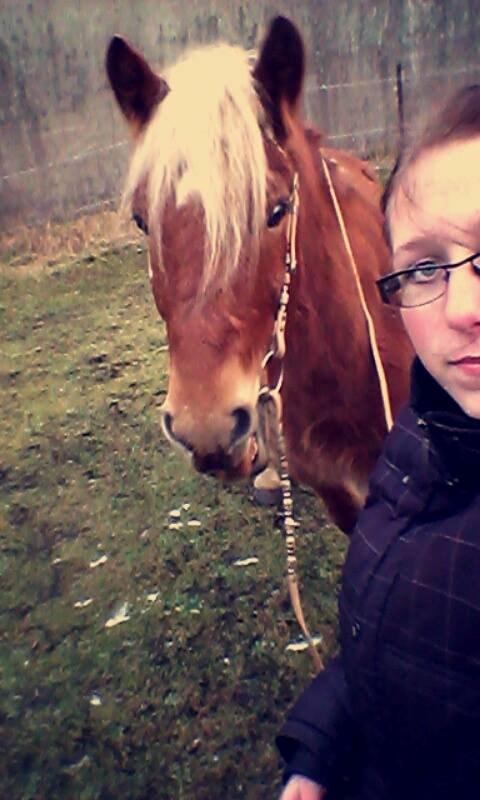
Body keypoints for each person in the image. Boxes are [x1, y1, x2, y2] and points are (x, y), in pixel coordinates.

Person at [276, 84, 480, 800]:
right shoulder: (418, 436)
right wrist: (321, 752)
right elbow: (395, 635)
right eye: (426, 266)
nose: (463, 309)